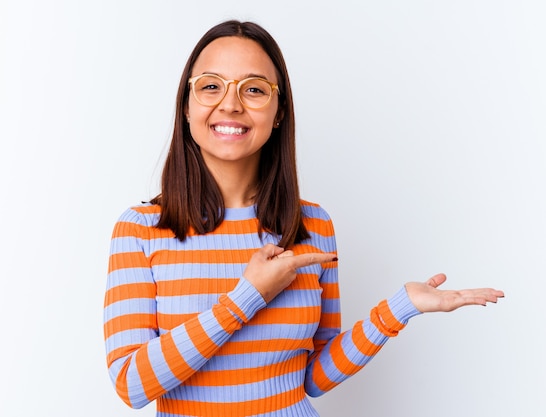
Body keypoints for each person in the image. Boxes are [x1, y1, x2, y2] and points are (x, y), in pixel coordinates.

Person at [103, 20, 504, 417]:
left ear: (278, 113)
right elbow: (131, 384)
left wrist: (398, 309)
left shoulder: (313, 225)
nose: (230, 103)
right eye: (211, 85)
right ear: (186, 107)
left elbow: (311, 376)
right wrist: (248, 296)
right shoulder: (140, 230)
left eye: (254, 89)